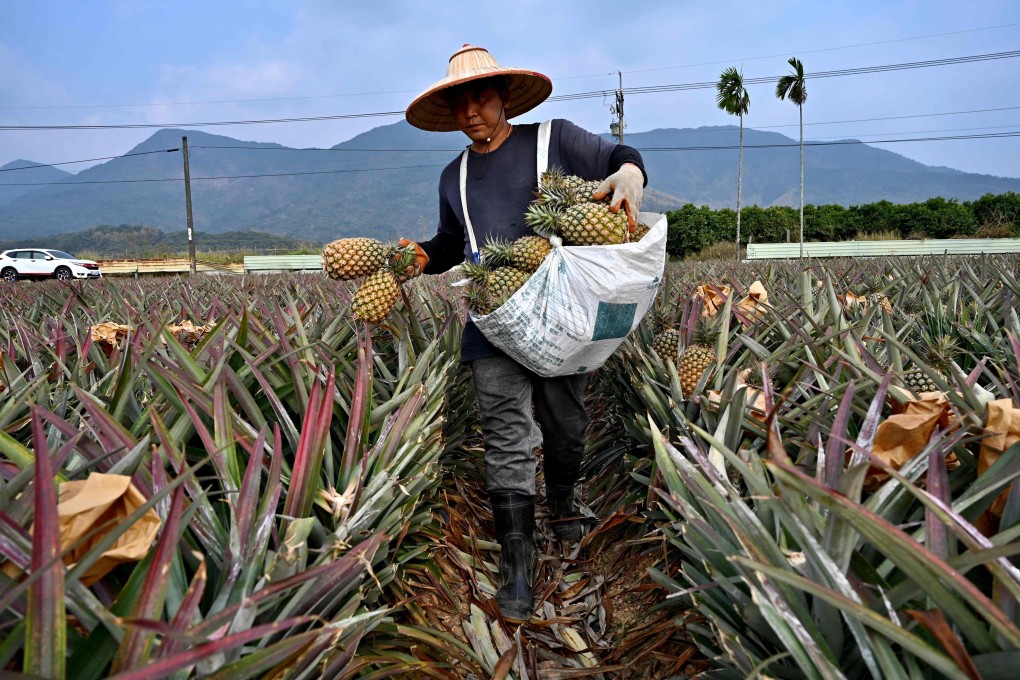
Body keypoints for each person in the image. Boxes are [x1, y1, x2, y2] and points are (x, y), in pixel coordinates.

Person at [400, 44, 647, 622]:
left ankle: (563, 500)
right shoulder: (452, 175)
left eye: (480, 98)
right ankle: (518, 558)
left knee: (566, 425)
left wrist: (630, 175)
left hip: (561, 314)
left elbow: (622, 154)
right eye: (459, 103)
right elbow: (448, 246)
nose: (470, 112)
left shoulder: (554, 140)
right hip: (493, 321)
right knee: (507, 431)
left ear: (504, 97)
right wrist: (419, 257)